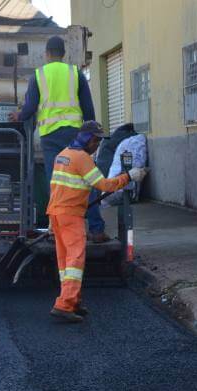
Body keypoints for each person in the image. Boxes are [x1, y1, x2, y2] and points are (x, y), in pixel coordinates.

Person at [46, 121, 146, 323]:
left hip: (57, 214)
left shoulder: (63, 155)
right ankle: (64, 305)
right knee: (75, 261)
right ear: (87, 139)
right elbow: (104, 185)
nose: (97, 145)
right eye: (96, 141)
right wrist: (129, 176)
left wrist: (50, 220)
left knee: (65, 262)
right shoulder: (82, 158)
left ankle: (73, 301)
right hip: (71, 216)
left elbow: (55, 187)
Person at [16, 36, 95, 210]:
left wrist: (18, 116)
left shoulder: (38, 75)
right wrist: (91, 135)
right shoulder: (76, 73)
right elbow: (88, 108)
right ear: (64, 54)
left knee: (56, 180)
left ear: (47, 54)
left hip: (50, 136)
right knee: (85, 175)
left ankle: (56, 228)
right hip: (75, 135)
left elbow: (30, 108)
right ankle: (96, 228)